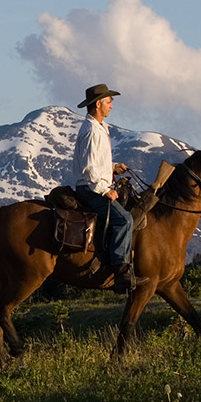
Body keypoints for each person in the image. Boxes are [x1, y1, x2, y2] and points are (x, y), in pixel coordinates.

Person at [72, 84, 136, 290]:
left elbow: (96, 163)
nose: (112, 106)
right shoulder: (92, 131)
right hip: (91, 189)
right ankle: (120, 270)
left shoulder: (98, 127)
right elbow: (89, 169)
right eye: (109, 102)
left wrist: (113, 167)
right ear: (98, 104)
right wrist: (105, 189)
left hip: (93, 185)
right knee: (125, 220)